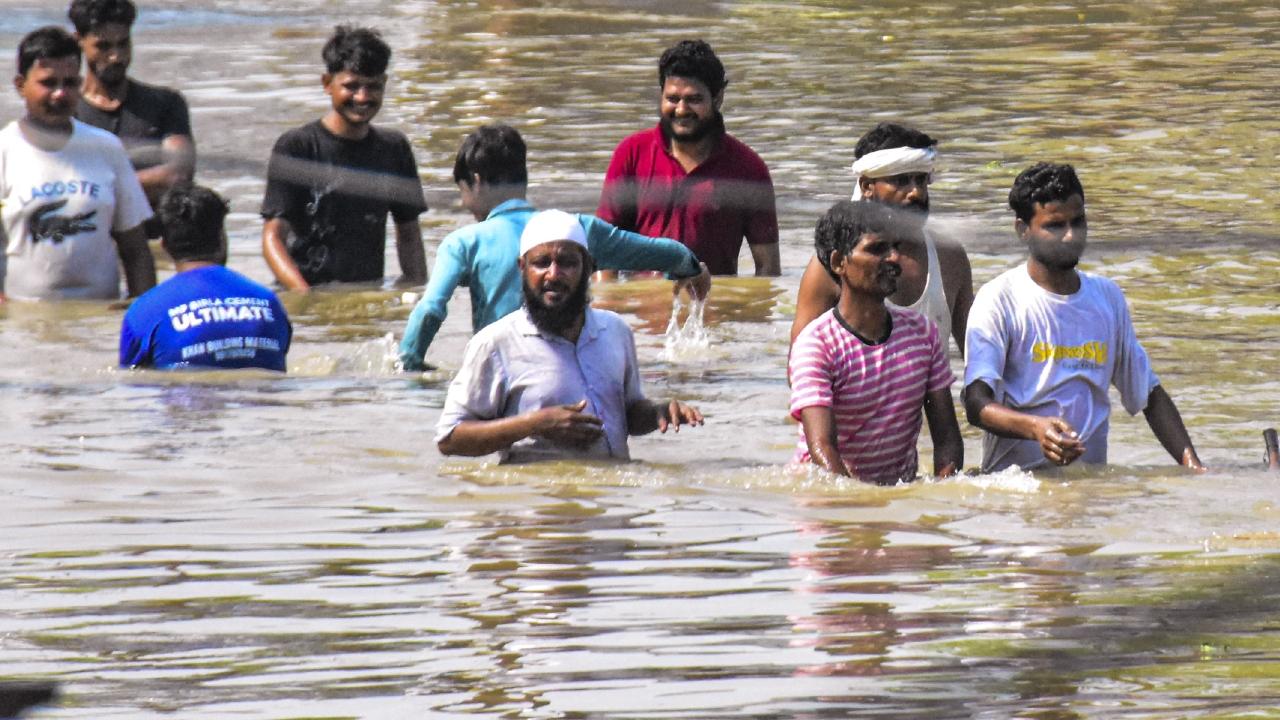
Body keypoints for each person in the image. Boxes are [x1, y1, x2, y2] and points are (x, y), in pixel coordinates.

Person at [399, 124, 711, 371]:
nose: (464, 203)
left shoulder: (464, 242)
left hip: (500, 369)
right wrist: (691, 269)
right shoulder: (577, 230)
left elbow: (431, 309)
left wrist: (410, 366)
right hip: (570, 367)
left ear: (476, 181)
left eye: (462, 191)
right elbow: (666, 252)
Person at [963, 162, 1204, 473]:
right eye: (1055, 225)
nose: (1070, 236)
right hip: (1017, 493)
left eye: (1078, 222)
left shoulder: (1107, 297)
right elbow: (976, 404)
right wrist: (1036, 428)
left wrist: (1195, 468)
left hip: (1092, 490)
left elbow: (1150, 396)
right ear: (1023, 230)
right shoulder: (999, 299)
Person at [437, 209, 703, 463]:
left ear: (588, 267)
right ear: (522, 268)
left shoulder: (615, 331)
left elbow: (627, 413)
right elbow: (450, 438)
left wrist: (659, 412)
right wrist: (534, 423)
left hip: (613, 501)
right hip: (536, 501)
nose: (554, 274)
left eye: (567, 263)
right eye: (542, 263)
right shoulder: (495, 343)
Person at [790, 200, 962, 483]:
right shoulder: (816, 344)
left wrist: (940, 496)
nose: (894, 258)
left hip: (895, 494)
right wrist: (860, 507)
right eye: (877, 249)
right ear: (838, 262)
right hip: (827, 497)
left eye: (896, 247)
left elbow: (947, 440)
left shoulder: (922, 333)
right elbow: (822, 448)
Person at [260, 25, 427, 292]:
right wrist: (305, 297)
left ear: (384, 84)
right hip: (306, 290)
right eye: (351, 86)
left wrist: (416, 292)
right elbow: (273, 237)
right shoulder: (297, 147)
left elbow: (408, 233)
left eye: (372, 87)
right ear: (327, 84)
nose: (362, 97)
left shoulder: (393, 148)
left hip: (366, 292)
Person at [596, 39, 780, 277]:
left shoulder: (749, 170)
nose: (681, 110)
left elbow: (767, 269)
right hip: (641, 309)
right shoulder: (631, 154)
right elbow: (603, 250)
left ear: (718, 98)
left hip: (712, 306)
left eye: (694, 99)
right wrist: (612, 306)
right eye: (672, 99)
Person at [0, 25, 155, 302]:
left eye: (70, 83)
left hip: (98, 319)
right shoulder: (4, 150)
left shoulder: (106, 148)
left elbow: (136, 250)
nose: (60, 94)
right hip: (24, 324)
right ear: (20, 85)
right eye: (48, 83)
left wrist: (144, 317)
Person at [790, 123, 973, 354]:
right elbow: (799, 366)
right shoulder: (831, 265)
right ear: (867, 186)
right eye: (901, 181)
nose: (916, 192)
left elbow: (975, 355)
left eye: (920, 180)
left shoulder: (949, 256)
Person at [120, 184, 291, 370]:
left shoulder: (144, 311)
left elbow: (131, 381)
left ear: (165, 246)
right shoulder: (269, 303)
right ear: (222, 238)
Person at [69, 0, 195, 208]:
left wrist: (96, 187)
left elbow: (178, 174)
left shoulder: (165, 104)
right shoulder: (67, 111)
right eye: (103, 46)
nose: (116, 57)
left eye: (123, 43)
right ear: (78, 42)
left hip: (151, 234)